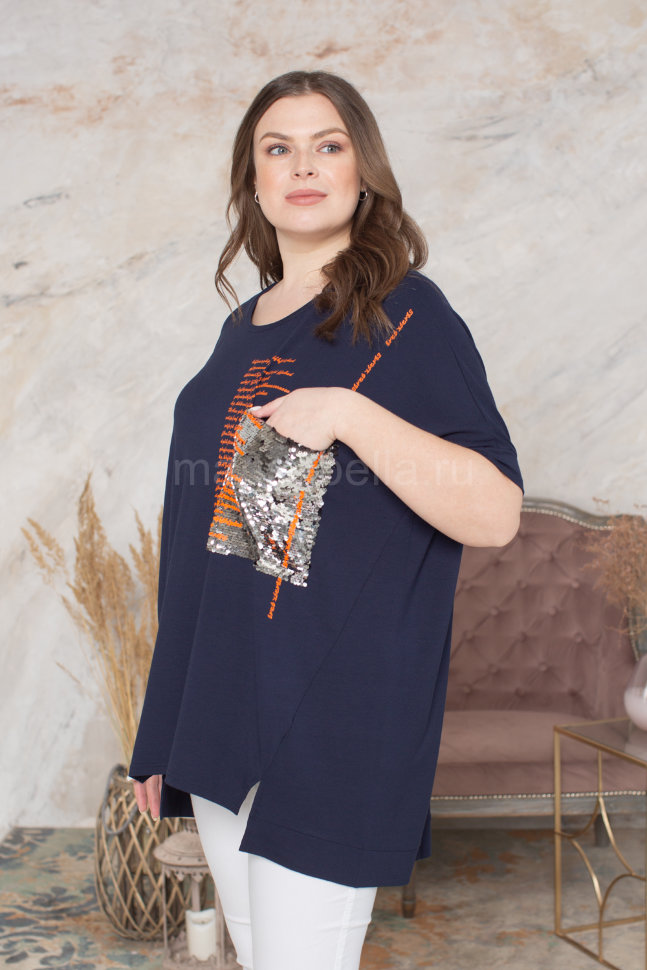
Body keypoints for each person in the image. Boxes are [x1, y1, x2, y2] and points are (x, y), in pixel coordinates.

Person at [128, 70, 524, 970]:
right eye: (278, 148)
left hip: (333, 712)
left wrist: (349, 414)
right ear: (253, 179)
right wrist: (163, 729)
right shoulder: (244, 327)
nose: (303, 166)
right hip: (222, 708)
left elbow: (495, 511)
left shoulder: (407, 313)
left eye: (328, 145)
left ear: (362, 171)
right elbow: (215, 554)